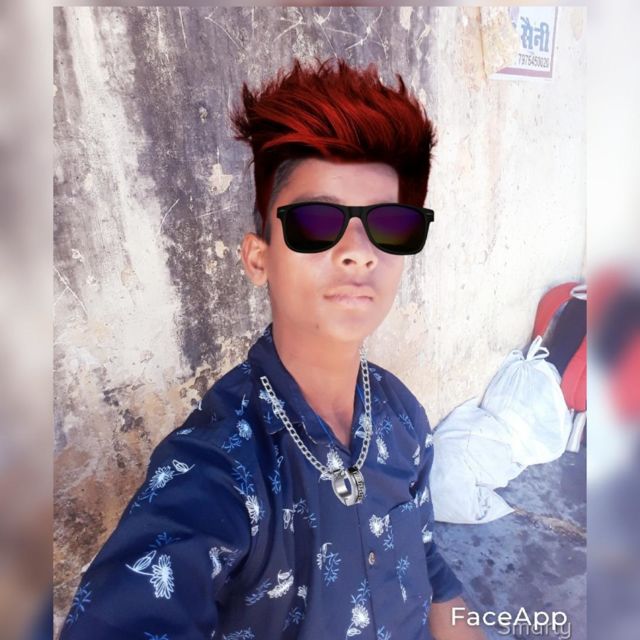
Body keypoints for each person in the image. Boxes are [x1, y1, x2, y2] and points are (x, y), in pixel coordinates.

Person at [60, 58, 485, 640]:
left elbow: (428, 563)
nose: (359, 251)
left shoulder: (403, 416)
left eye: (389, 224)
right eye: (316, 222)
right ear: (258, 259)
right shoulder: (218, 466)